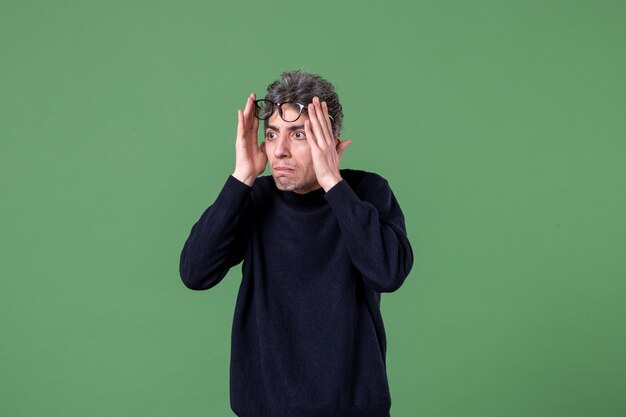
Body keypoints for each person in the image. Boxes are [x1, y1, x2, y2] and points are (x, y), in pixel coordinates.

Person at [179, 70, 413, 417]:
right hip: (265, 407)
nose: (280, 150)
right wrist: (241, 176)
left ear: (333, 144)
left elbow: (388, 274)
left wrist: (333, 182)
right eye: (272, 134)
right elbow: (195, 272)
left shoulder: (367, 193)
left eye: (299, 134)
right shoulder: (254, 198)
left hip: (351, 407)